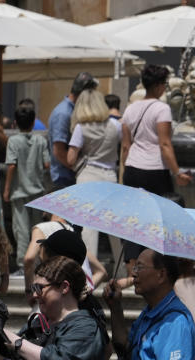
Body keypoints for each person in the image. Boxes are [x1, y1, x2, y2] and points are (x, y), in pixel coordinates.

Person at [68, 88, 122, 262]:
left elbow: (70, 158)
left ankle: (89, 269)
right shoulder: (115, 126)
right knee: (115, 225)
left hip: (88, 175)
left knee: (89, 227)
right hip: (110, 176)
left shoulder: (81, 128)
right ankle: (122, 267)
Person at [121, 65, 192, 195]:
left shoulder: (129, 109)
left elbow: (125, 146)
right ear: (157, 85)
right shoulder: (162, 109)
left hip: (132, 169)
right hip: (155, 170)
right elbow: (164, 144)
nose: (165, 87)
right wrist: (177, 172)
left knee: (135, 212)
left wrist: (126, 170)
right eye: (165, 83)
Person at [4, 105, 51, 271]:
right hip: (38, 191)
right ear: (33, 123)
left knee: (21, 230)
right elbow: (47, 164)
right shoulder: (41, 140)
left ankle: (23, 265)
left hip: (19, 191)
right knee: (37, 229)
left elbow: (11, 166)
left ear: (15, 123)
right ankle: (38, 262)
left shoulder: (13, 141)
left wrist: (7, 189)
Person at [48, 72, 99, 189]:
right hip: (64, 179)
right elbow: (59, 151)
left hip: (71, 176)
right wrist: (80, 169)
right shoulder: (63, 114)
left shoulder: (74, 110)